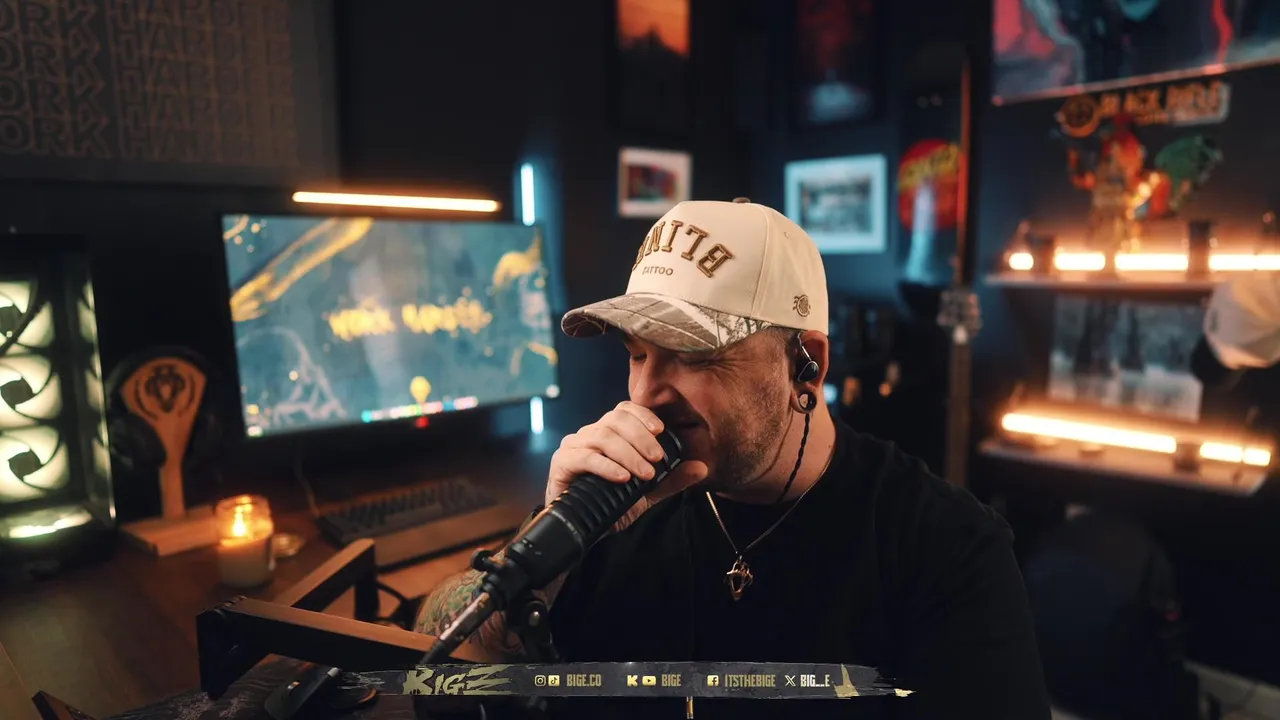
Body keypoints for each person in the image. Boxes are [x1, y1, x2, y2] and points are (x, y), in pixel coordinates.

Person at [416, 199, 1051, 719]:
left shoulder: (947, 549)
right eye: (637, 354)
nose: (646, 394)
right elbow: (434, 656)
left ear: (807, 365)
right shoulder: (616, 502)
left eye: (694, 356)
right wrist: (547, 551)